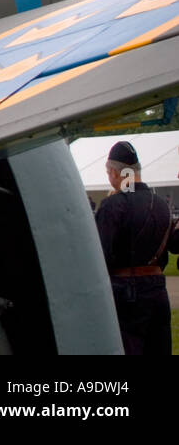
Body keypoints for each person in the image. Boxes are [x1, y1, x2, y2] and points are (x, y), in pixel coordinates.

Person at [94, 140, 178, 355]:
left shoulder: (114, 205)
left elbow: (100, 255)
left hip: (126, 291)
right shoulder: (162, 204)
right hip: (158, 289)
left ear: (114, 172)